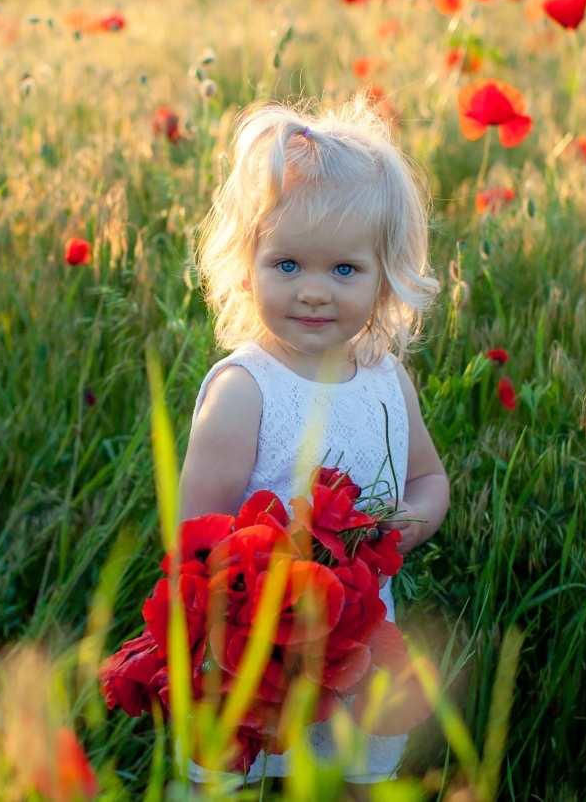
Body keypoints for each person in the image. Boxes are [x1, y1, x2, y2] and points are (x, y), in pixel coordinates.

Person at [178, 94, 450, 799]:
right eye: (289, 265)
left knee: (352, 772)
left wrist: (394, 535)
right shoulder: (246, 391)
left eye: (345, 271)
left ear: (386, 273)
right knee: (236, 772)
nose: (315, 294)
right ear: (248, 263)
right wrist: (266, 573)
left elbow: (428, 480)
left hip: (356, 636)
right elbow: (194, 534)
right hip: (256, 643)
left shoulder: (387, 379)